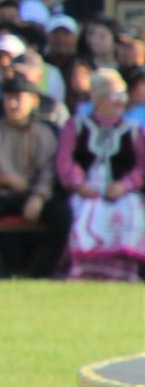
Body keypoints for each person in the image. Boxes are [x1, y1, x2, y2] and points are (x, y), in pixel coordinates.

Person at [0, 75, 69, 279]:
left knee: (62, 214)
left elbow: (50, 171)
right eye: (8, 98)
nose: (12, 104)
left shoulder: (44, 133)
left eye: (18, 98)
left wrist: (38, 196)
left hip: (34, 194)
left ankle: (39, 273)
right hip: (0, 193)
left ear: (33, 101)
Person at [56, 69, 145, 282]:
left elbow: (142, 166)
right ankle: (85, 272)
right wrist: (79, 184)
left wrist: (126, 185)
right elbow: (65, 161)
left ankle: (123, 273)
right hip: (87, 190)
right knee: (85, 213)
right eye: (114, 96)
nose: (119, 102)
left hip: (121, 192)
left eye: (122, 96)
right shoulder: (76, 125)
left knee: (131, 212)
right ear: (98, 97)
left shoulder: (133, 130)